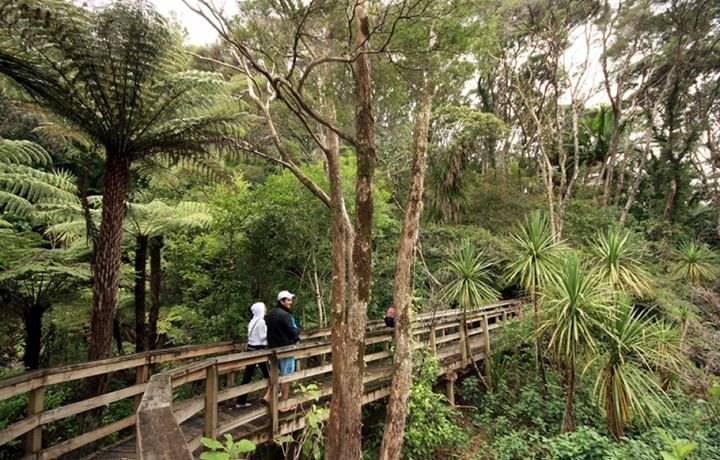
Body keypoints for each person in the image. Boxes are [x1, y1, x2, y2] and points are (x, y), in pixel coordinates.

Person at [264, 290, 300, 409]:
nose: (291, 302)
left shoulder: (270, 314)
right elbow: (293, 331)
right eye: (288, 300)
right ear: (281, 301)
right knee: (286, 376)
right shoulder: (285, 315)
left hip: (273, 350)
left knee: (276, 374)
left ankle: (268, 396)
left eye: (290, 299)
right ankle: (284, 404)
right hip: (286, 349)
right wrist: (296, 336)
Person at [236, 302, 269, 408]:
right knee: (269, 373)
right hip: (259, 351)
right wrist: (270, 332)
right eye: (263, 309)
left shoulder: (252, 321)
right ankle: (275, 392)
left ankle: (240, 401)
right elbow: (262, 337)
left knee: (247, 376)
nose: (265, 310)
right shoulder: (261, 322)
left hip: (250, 350)